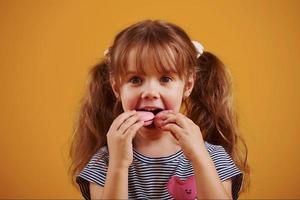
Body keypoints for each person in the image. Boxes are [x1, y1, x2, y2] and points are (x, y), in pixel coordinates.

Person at [69, 19, 250, 200]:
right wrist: (119, 165)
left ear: (187, 85)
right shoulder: (106, 162)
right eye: (135, 80)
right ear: (117, 87)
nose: (150, 93)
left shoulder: (212, 157)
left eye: (165, 79)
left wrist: (199, 158)